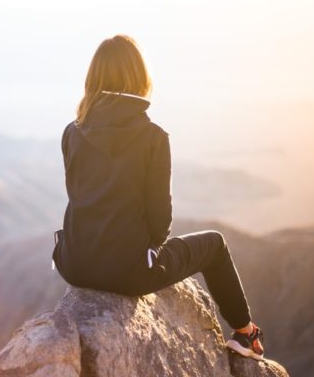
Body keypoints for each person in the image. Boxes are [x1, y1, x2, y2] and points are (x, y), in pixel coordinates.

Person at [51, 34, 265, 360]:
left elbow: (79, 196)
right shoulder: (153, 138)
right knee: (216, 245)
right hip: (129, 273)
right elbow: (160, 223)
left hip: (73, 263)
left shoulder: (72, 130)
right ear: (140, 78)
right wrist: (145, 251)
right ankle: (246, 334)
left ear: (93, 78)